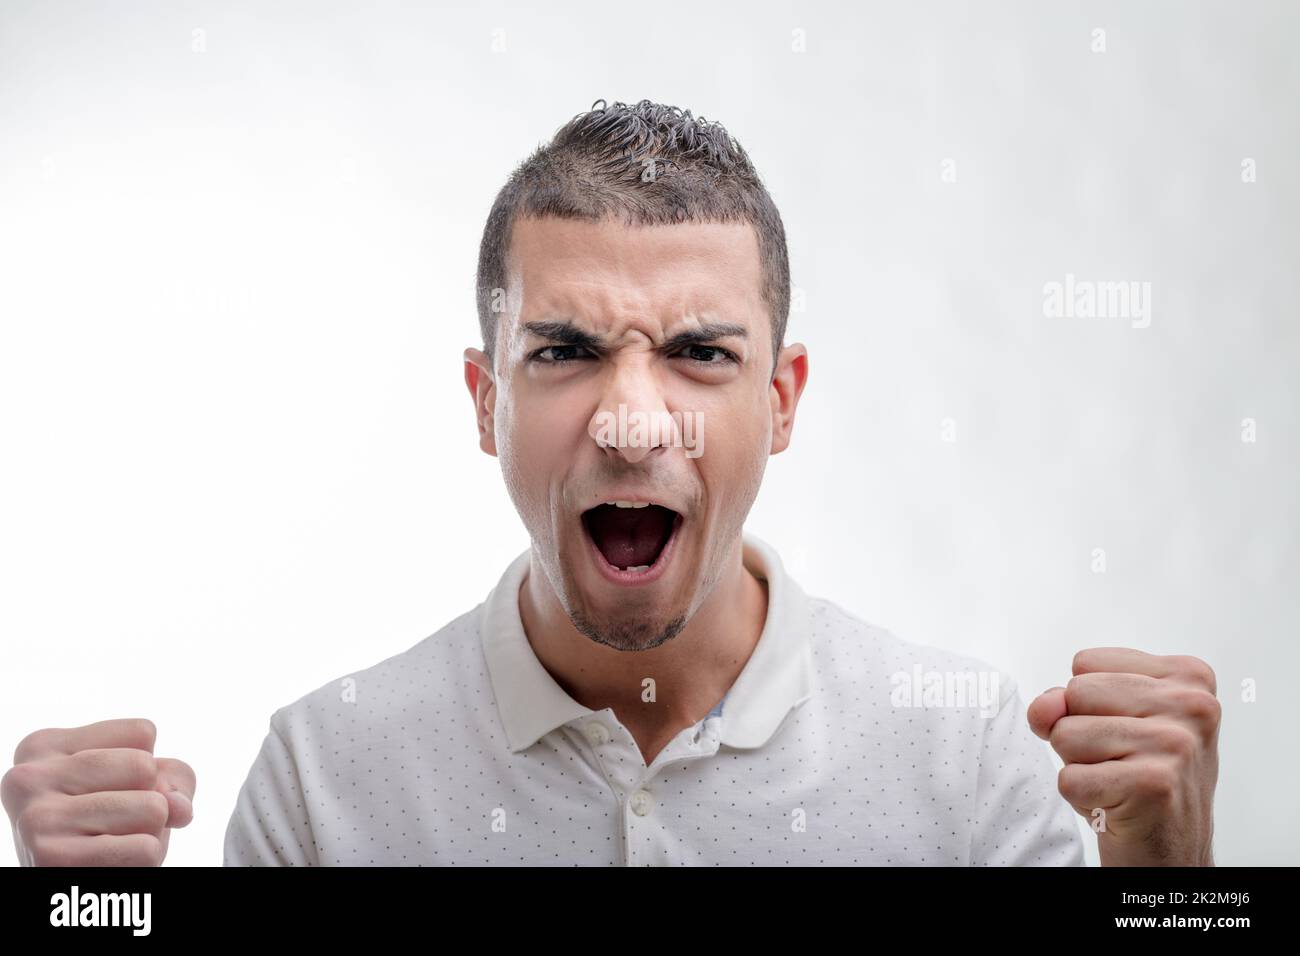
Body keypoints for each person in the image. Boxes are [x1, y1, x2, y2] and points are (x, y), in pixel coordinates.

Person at [3, 100, 1220, 867]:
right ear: (485, 401)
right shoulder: (328, 778)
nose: (635, 421)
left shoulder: (958, 757)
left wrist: (1172, 886)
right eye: (566, 351)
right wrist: (82, 910)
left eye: (700, 352)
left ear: (782, 399)